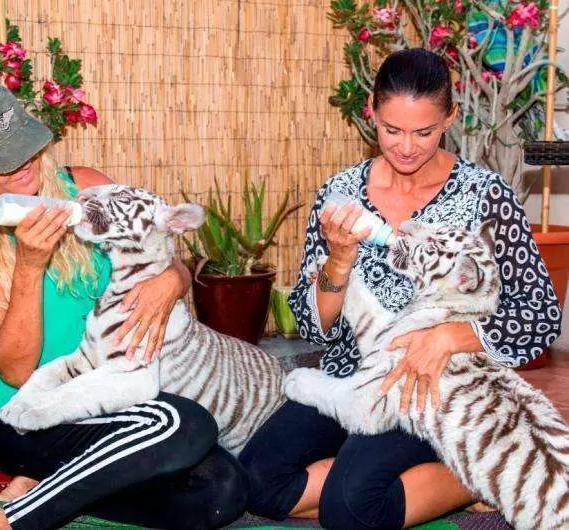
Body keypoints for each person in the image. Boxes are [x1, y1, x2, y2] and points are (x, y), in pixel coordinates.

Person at [239, 49, 562, 529]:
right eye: (392, 130)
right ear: (371, 111)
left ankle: (474, 475)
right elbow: (314, 324)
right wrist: (341, 258)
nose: (407, 147)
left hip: (435, 389)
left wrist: (449, 337)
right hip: (351, 375)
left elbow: (540, 314)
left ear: (450, 116)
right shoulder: (339, 192)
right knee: (258, 482)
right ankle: (406, 473)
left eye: (424, 132)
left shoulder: (487, 196)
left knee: (349, 512)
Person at [0, 82, 247, 530]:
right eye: (2, 160)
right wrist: (29, 265)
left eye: (24, 147)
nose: (22, 165)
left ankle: (54, 484)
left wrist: (172, 280)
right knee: (182, 422)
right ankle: (9, 521)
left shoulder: (86, 188)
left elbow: (157, 241)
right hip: (23, 412)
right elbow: (16, 372)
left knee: (224, 489)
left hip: (104, 391)